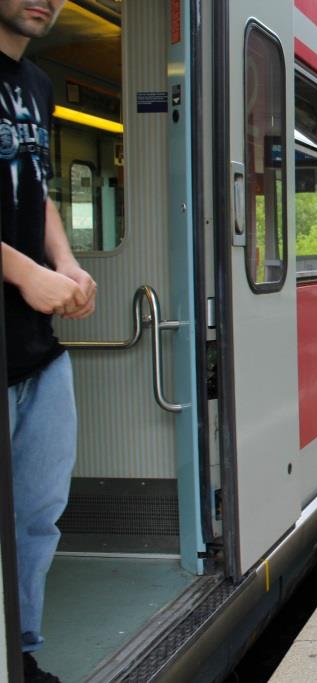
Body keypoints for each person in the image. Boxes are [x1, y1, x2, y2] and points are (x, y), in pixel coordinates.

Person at [1, 1, 97, 680]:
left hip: (38, 347)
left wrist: (63, 262)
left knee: (37, 516)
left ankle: (21, 651)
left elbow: (38, 190)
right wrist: (23, 271)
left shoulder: (34, 84)